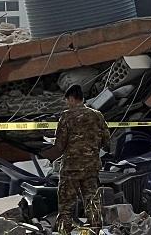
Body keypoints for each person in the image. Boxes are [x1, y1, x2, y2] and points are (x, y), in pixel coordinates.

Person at [42, 84, 110, 234]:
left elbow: (60, 145)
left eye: (67, 100)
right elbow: (106, 140)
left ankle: (64, 231)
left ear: (72, 99)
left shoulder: (66, 117)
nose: (67, 103)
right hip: (91, 167)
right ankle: (96, 230)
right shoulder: (97, 115)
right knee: (92, 200)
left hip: (71, 168)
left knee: (66, 204)